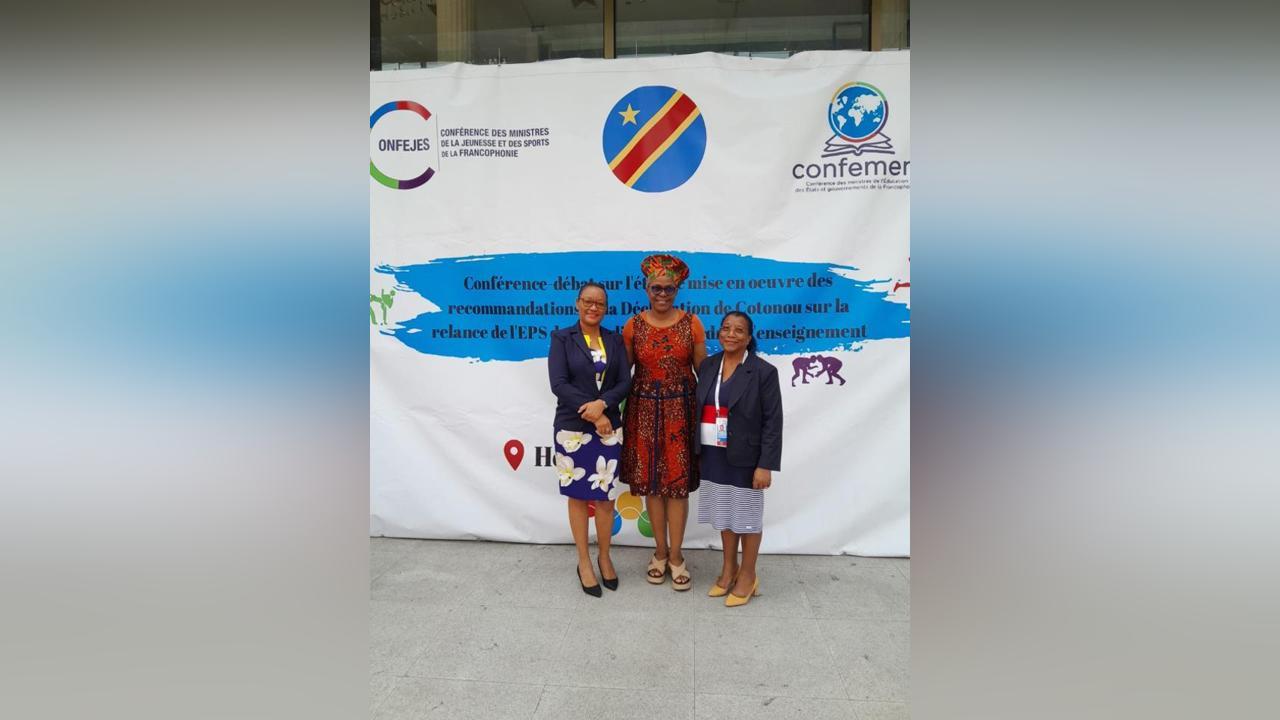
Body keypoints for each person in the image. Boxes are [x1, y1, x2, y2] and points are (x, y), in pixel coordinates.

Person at [620, 254, 707, 591]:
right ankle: (659, 552)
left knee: (677, 486)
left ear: (677, 289)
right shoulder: (633, 326)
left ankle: (676, 556)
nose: (662, 294)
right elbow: (621, 375)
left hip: (681, 413)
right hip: (643, 412)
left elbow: (703, 372)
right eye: (656, 287)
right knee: (653, 486)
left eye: (668, 288)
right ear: (646, 288)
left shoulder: (692, 324)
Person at [548, 282, 632, 597]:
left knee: (606, 497)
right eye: (588, 301)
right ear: (577, 303)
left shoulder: (614, 339)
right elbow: (559, 384)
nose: (593, 307)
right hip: (573, 428)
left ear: (606, 308)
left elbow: (624, 382)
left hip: (609, 428)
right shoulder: (562, 338)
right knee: (578, 497)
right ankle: (584, 562)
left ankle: (604, 557)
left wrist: (604, 405)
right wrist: (595, 414)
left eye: (599, 303)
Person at [694, 311, 783, 607]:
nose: (731, 334)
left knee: (747, 518)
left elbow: (773, 422)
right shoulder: (708, 366)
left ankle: (748, 575)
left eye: (739, 330)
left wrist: (765, 465)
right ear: (719, 333)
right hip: (713, 453)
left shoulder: (763, 371)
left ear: (748, 337)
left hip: (746, 457)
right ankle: (728, 569)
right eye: (726, 328)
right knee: (724, 514)